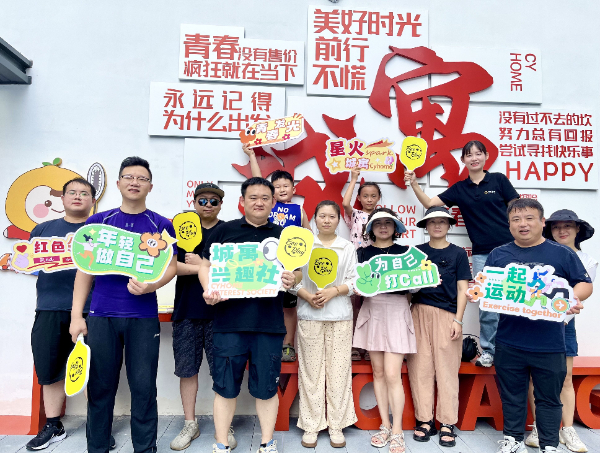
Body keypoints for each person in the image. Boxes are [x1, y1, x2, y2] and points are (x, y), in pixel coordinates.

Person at [69, 157, 178, 453]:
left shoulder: (162, 225)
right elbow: (84, 271)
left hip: (143, 317)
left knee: (143, 388)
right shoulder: (98, 223)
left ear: (150, 186)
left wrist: (152, 285)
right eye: (129, 177)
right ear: (118, 183)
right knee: (100, 388)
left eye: (142, 178)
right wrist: (76, 316)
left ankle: (145, 448)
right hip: (101, 316)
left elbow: (171, 266)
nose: (135, 182)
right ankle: (97, 448)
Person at [467, 198, 591, 453]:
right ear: (509, 224)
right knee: (512, 396)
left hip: (550, 343)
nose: (522, 224)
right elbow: (486, 285)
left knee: (549, 398)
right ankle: (513, 441)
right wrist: (477, 291)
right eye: (516, 219)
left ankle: (549, 445)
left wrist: (571, 298)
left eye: (529, 218)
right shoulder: (498, 254)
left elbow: (584, 283)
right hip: (509, 341)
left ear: (542, 222)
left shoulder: (561, 253)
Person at [198, 177, 298, 453]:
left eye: (265, 198)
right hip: (228, 323)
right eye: (253, 197)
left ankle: (267, 442)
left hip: (269, 325)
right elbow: (205, 265)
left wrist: (293, 278)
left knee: (267, 388)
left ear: (273, 202)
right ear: (242, 201)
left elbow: (297, 272)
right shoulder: (224, 231)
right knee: (224, 387)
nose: (259, 202)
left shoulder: (283, 235)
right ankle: (221, 443)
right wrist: (209, 289)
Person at [405, 140, 519, 368]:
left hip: (510, 250)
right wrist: (414, 183)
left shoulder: (498, 180)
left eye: (478, 153)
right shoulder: (460, 188)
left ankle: (516, 350)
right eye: (469, 154)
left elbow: (518, 210)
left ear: (486, 156)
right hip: (482, 254)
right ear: (463, 160)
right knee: (488, 304)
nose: (474, 158)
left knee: (517, 300)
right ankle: (489, 351)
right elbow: (430, 203)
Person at [25, 178, 117, 451]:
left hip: (93, 310)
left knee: (94, 370)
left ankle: (98, 426)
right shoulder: (42, 230)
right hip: (49, 308)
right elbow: (31, 265)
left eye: (84, 193)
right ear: (63, 199)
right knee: (49, 369)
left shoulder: (102, 232)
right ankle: (54, 425)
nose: (78, 197)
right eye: (72, 193)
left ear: (93, 201)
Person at [169, 183, 236, 451]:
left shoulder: (230, 231)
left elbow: (235, 269)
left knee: (223, 369)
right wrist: (201, 267)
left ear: (221, 204)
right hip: (187, 310)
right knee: (187, 370)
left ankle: (225, 424)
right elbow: (169, 266)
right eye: (202, 200)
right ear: (194, 202)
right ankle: (190, 423)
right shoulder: (180, 228)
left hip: (223, 312)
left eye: (213, 201)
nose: (208, 205)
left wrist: (201, 264)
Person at [525, 209, 597, 452]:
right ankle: (539, 427)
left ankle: (567, 429)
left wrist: (559, 316)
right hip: (535, 323)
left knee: (565, 377)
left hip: (563, 324)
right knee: (535, 377)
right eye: (556, 227)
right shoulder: (541, 255)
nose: (562, 231)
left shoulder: (587, 260)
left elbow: (580, 293)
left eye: (567, 226)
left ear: (578, 229)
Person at [291, 200, 358, 449]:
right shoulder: (304, 245)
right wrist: (307, 295)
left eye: (332, 216)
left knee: (339, 373)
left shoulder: (347, 247)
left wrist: (334, 291)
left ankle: (337, 425)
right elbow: (291, 278)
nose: (327, 220)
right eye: (322, 216)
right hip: (309, 316)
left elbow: (355, 281)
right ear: (314, 219)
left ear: (339, 220)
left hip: (340, 317)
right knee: (310, 373)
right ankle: (311, 425)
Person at [407, 207, 471, 448]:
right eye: (432, 222)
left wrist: (458, 320)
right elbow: (407, 288)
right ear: (425, 226)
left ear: (449, 225)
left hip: (447, 315)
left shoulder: (458, 254)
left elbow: (463, 289)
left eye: (442, 222)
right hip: (418, 312)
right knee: (420, 368)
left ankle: (447, 422)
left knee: (447, 370)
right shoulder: (416, 253)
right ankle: (424, 420)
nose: (437, 226)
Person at [353, 208, 414, 453]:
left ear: (396, 227)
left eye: (388, 223)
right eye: (378, 223)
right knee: (378, 372)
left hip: (397, 309)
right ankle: (385, 426)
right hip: (373, 308)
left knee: (392, 374)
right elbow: (356, 281)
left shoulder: (406, 253)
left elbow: (414, 285)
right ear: (370, 228)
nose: (383, 227)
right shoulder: (362, 253)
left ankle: (397, 430)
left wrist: (421, 281)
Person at [243, 144, 310, 363]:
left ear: (293, 189)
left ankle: (288, 345)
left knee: (289, 307)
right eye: (277, 186)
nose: (281, 189)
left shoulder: (299, 210)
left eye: (285, 186)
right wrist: (252, 155)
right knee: (262, 302)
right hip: (265, 263)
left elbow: (309, 235)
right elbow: (257, 180)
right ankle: (259, 341)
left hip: (290, 268)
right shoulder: (268, 206)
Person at [342, 168, 382, 361]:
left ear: (379, 198)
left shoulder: (382, 217)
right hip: (356, 262)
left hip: (375, 262)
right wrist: (354, 179)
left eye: (373, 196)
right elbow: (344, 203)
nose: (369, 199)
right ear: (359, 197)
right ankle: (355, 346)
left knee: (372, 305)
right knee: (355, 305)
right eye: (365, 196)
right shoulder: (356, 214)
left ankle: (370, 346)